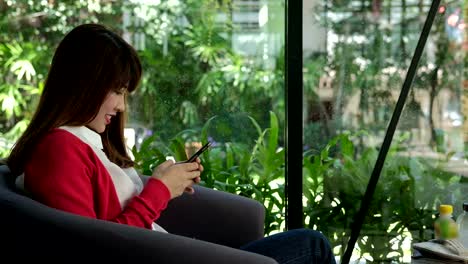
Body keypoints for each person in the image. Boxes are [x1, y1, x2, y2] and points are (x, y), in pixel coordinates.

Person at [6, 23, 336, 264]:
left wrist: (165, 183)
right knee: (312, 246)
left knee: (309, 244)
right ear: (85, 85)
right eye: (117, 91)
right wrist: (158, 191)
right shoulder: (59, 150)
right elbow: (95, 250)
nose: (121, 106)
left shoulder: (80, 140)